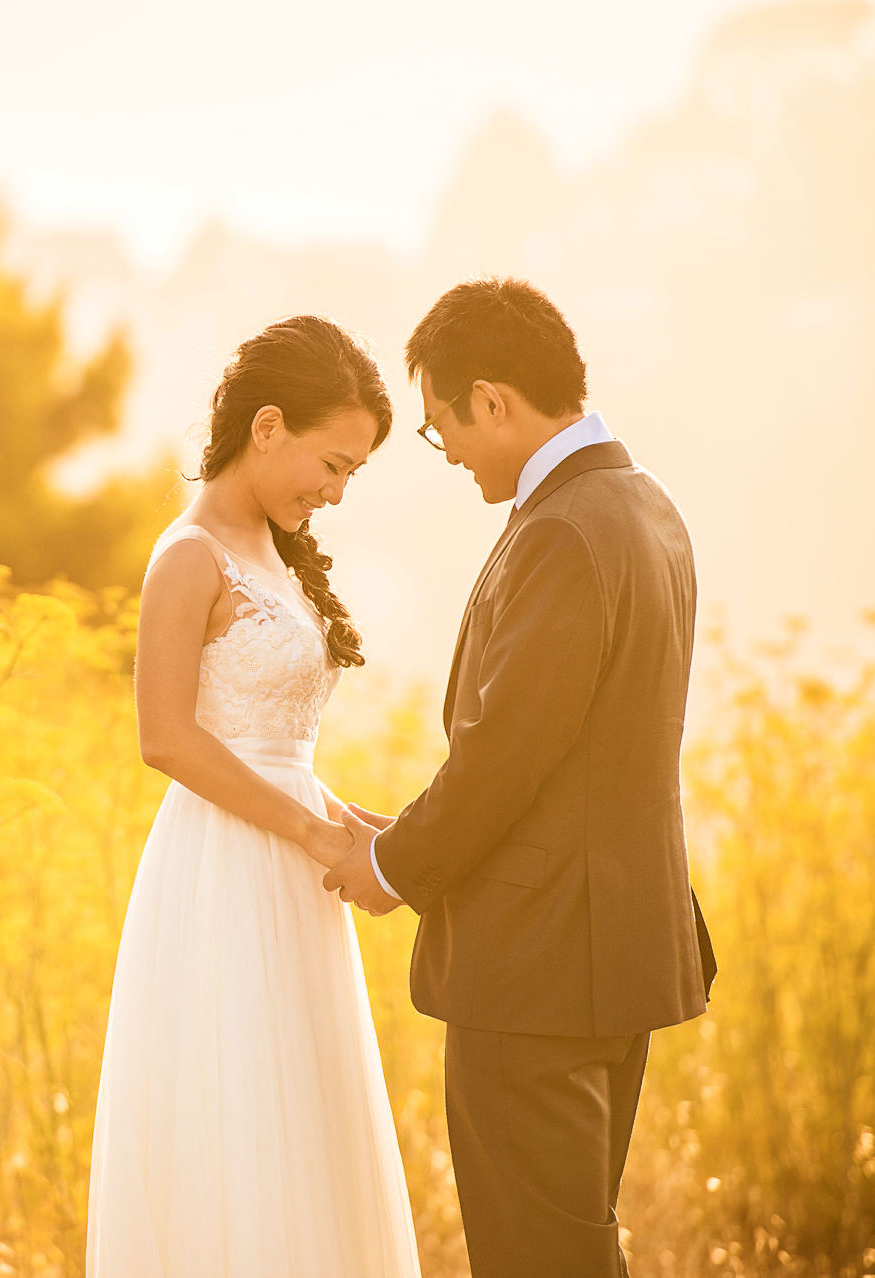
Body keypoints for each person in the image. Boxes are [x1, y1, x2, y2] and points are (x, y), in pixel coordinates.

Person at [323, 278, 717, 1278]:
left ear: (493, 400)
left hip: (539, 968)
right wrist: (396, 836)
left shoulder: (562, 529)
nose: (445, 450)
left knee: (541, 1258)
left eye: (440, 426)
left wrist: (393, 866)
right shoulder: (648, 508)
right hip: (611, 956)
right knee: (571, 1242)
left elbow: (506, 754)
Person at [85, 314, 422, 1278]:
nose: (338, 490)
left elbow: (275, 747)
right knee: (236, 1109)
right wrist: (312, 835)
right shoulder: (188, 555)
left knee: (304, 1114)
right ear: (266, 426)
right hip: (223, 870)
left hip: (291, 861)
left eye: (353, 472)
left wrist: (347, 821)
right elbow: (168, 739)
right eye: (333, 462)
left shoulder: (274, 552)